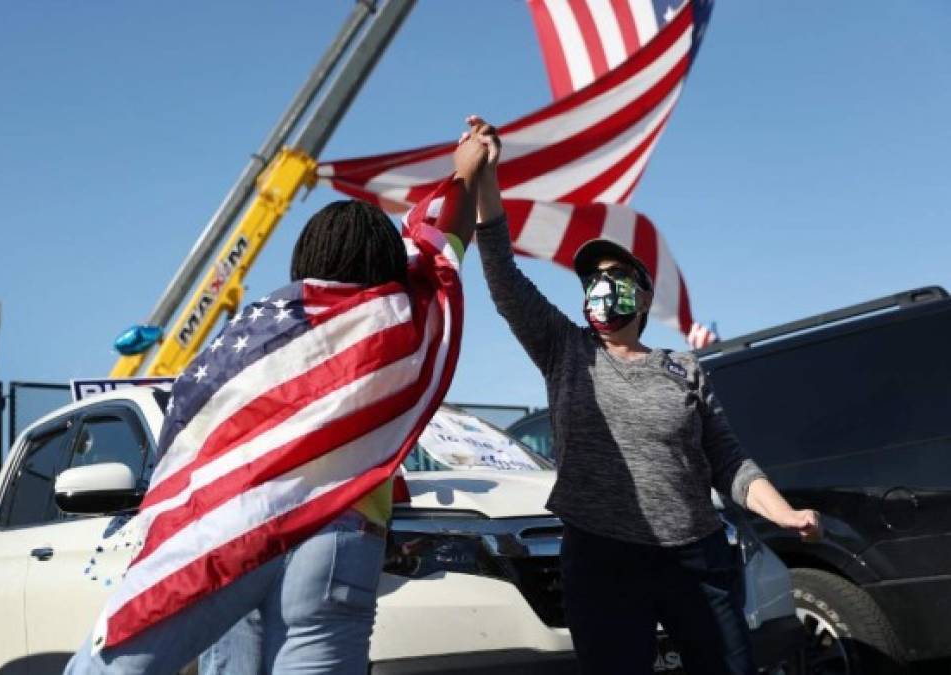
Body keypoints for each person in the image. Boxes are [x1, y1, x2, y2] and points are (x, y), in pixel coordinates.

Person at [64, 118, 498, 675]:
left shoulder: (259, 332)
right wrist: (466, 173)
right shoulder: (397, 324)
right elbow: (440, 245)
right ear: (387, 263)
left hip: (233, 525)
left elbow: (190, 415)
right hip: (342, 537)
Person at [466, 114, 822, 675]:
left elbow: (725, 457)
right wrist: (486, 178)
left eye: (615, 277)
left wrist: (783, 512)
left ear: (643, 292)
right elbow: (502, 275)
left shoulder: (683, 369)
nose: (602, 289)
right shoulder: (565, 350)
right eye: (592, 281)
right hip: (601, 557)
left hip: (697, 558)